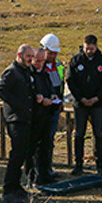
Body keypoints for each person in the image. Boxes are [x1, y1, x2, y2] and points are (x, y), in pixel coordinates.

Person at [66, 34, 102, 176]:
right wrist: (81, 98)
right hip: (80, 104)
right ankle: (78, 164)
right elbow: (70, 80)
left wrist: (97, 97)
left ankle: (100, 164)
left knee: (98, 133)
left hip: (97, 104)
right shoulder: (76, 60)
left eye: (92, 48)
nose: (89, 51)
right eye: (87, 48)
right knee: (79, 133)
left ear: (96, 46)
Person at [0, 44, 37, 203]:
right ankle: (8, 190)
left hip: (26, 118)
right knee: (16, 155)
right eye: (28, 56)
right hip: (15, 119)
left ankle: (16, 186)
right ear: (19, 55)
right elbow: (1, 91)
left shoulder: (26, 71)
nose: (31, 60)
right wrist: (18, 104)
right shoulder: (11, 72)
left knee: (22, 154)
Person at [33, 32, 65, 184]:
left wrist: (60, 102)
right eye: (50, 52)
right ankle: (37, 171)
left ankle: (47, 169)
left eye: (54, 53)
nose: (52, 55)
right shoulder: (38, 65)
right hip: (41, 110)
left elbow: (60, 84)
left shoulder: (58, 65)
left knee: (49, 141)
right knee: (39, 142)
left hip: (54, 107)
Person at [26, 48, 57, 186]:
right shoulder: (27, 74)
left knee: (45, 147)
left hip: (46, 115)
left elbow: (50, 88)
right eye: (37, 61)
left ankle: (44, 175)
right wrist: (39, 99)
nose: (39, 64)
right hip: (33, 117)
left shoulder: (44, 74)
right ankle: (31, 177)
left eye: (42, 61)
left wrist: (52, 96)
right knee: (32, 149)